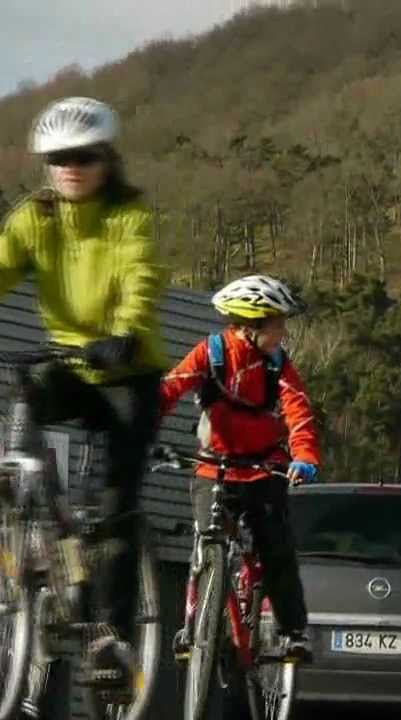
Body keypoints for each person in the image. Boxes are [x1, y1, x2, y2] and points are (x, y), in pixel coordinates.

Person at [0, 96, 169, 682]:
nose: (70, 166)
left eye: (83, 155)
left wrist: (124, 331)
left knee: (116, 507)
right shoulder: (34, 218)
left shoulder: (129, 216)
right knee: (23, 396)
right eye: (57, 158)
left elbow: (140, 275)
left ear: (106, 158)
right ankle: (31, 511)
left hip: (127, 372)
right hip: (70, 366)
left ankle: (110, 640)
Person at [161, 274, 319, 662]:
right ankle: (192, 623)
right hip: (213, 467)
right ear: (252, 326)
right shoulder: (211, 353)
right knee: (204, 542)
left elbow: (298, 411)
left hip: (264, 468)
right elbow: (169, 389)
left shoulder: (278, 365)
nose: (283, 332)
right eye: (278, 324)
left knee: (276, 549)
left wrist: (305, 456)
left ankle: (293, 631)